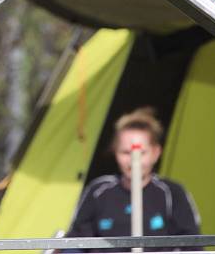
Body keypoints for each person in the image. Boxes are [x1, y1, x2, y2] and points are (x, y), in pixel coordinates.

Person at [65, 107, 199, 251]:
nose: (133, 161)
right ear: (115, 151)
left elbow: (191, 245)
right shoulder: (98, 191)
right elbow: (76, 242)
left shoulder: (172, 193)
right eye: (126, 152)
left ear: (155, 153)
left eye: (141, 153)